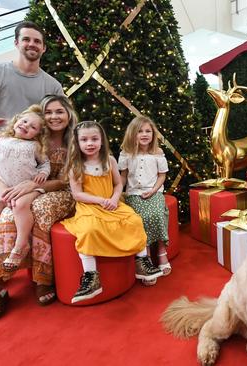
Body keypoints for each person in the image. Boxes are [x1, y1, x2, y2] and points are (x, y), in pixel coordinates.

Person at [0, 21, 64, 301]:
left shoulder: (51, 84)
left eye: (37, 41)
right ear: (17, 42)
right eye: (27, 39)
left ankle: (35, 267)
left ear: (43, 48)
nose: (32, 44)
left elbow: (57, 122)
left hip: (31, 165)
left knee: (27, 214)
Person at [0, 95, 76, 321]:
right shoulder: (20, 140)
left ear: (69, 114)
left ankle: (43, 278)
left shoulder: (74, 140)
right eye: (48, 112)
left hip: (60, 192)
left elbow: (69, 180)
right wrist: (5, 190)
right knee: (7, 212)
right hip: (17, 192)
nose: (53, 116)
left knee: (39, 208)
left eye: (59, 111)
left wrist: (33, 185)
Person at [61, 121, 162, 304]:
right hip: (90, 205)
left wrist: (115, 198)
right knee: (88, 230)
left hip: (111, 202)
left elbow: (117, 183)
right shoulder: (75, 166)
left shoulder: (109, 160)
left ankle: (142, 262)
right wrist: (100, 200)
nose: (90, 143)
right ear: (77, 142)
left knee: (134, 220)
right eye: (84, 139)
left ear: (102, 140)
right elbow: (77, 194)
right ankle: (91, 276)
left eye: (94, 139)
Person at [0, 105, 49, 272]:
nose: (26, 126)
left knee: (20, 207)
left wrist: (43, 173)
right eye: (24, 121)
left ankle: (21, 244)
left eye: (33, 127)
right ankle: (3, 231)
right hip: (3, 192)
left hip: (24, 190)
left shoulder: (34, 146)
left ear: (38, 134)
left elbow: (45, 163)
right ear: (16, 121)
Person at [119, 115, 171, 278]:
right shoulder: (126, 154)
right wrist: (117, 193)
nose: (144, 134)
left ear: (153, 134)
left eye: (148, 131)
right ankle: (145, 258)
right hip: (134, 194)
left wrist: (154, 190)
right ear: (132, 134)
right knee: (140, 219)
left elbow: (162, 175)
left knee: (157, 214)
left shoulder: (157, 153)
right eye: (140, 131)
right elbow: (123, 176)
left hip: (154, 192)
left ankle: (162, 252)